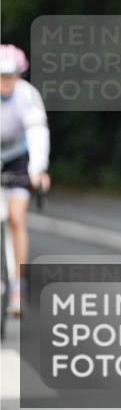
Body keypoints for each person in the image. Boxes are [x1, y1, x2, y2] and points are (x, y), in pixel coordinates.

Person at [0, 44, 51, 316]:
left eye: (11, 76)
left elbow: (37, 132)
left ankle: (18, 285)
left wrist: (38, 170)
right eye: (1, 76)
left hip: (18, 158)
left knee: (16, 218)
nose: (5, 82)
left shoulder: (27, 95)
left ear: (19, 75)